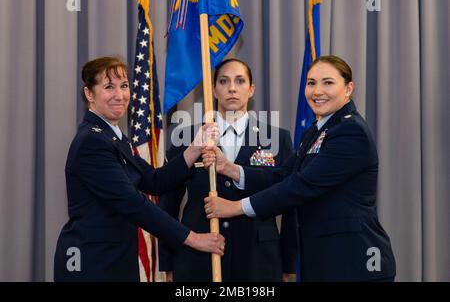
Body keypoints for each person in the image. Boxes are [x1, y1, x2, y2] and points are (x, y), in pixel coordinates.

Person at [203, 55, 396, 282]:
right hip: (325, 261)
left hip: (355, 263)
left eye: (328, 82)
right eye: (311, 83)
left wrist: (234, 207)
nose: (317, 91)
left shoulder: (351, 132)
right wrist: (230, 168)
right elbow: (283, 175)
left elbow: (300, 186)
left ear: (348, 88)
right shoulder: (315, 131)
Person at [54, 56, 224, 282]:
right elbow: (132, 202)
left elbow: (154, 181)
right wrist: (192, 239)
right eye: (108, 87)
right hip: (92, 263)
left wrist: (195, 148)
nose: (120, 95)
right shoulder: (92, 142)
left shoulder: (114, 138)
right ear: (89, 94)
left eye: (124, 86)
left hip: (115, 259)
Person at [158, 58, 298, 282]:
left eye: (240, 81)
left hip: (258, 258)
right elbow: (168, 205)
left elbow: (290, 202)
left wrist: (288, 263)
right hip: (198, 257)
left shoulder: (278, 139)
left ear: (251, 89)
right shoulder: (188, 137)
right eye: (224, 81)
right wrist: (167, 262)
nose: (232, 88)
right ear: (213, 89)